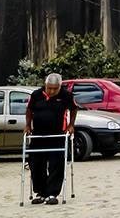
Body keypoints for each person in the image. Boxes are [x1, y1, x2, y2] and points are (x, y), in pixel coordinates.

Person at [25, 73, 77, 205]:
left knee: (56, 164)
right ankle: (41, 192)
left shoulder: (66, 95)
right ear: (45, 85)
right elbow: (29, 110)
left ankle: (52, 193)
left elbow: (73, 109)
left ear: (60, 86)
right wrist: (27, 125)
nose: (52, 91)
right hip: (38, 135)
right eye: (49, 88)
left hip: (57, 135)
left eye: (55, 88)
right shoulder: (36, 95)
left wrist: (71, 125)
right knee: (36, 164)